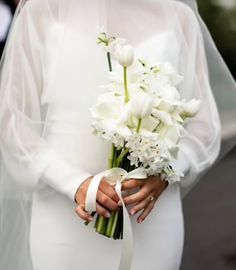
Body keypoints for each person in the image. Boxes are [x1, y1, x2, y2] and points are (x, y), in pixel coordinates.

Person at [0, 0, 235, 270]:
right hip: (64, 215)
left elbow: (204, 125)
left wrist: (168, 170)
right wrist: (74, 183)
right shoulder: (42, 10)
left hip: (150, 216)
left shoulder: (179, 18)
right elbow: (12, 121)